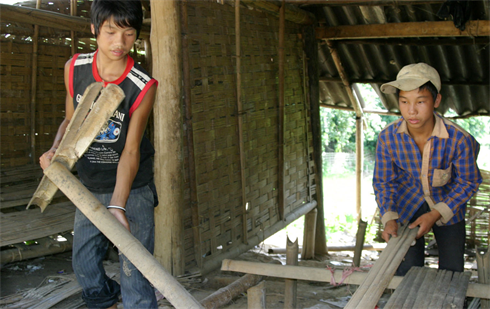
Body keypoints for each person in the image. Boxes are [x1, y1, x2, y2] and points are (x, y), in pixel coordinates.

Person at [39, 0, 158, 308]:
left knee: (135, 272)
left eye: (128, 34)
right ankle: (107, 299)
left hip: (133, 188)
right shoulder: (75, 68)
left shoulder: (142, 85)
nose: (119, 43)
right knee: (85, 266)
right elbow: (70, 121)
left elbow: (131, 151)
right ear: (93, 29)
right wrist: (55, 151)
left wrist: (118, 205)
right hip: (89, 186)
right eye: (109, 32)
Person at [373, 63, 482, 276]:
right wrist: (389, 218)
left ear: (436, 101)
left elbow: (469, 182)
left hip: (448, 205)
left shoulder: (459, 140)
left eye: (420, 101)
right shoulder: (387, 138)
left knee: (451, 273)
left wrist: (435, 214)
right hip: (407, 205)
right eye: (404, 101)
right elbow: (383, 182)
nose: (411, 110)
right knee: (405, 270)